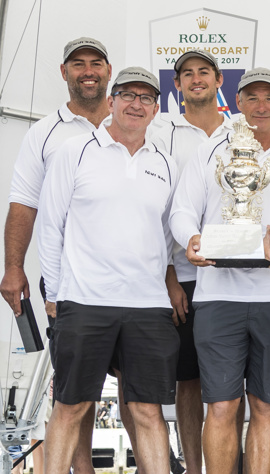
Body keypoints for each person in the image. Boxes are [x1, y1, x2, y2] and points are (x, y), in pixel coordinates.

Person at [169, 67, 270, 474]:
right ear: (237, 102)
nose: (261, 105)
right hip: (219, 296)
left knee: (265, 406)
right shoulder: (210, 153)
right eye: (251, 97)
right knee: (222, 405)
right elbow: (181, 212)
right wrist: (192, 239)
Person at [38, 66, 179, 474]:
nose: (136, 104)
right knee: (71, 406)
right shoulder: (75, 151)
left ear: (156, 109)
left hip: (148, 306)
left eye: (146, 97)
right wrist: (55, 295)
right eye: (128, 95)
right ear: (111, 101)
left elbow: (166, 237)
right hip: (84, 300)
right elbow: (50, 225)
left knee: (148, 410)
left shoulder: (166, 164)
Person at [1, 37, 113, 474]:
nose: (88, 71)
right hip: (69, 281)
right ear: (64, 73)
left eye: (96, 63)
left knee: (134, 390)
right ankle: (81, 471)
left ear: (108, 71)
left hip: (133, 281)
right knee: (75, 387)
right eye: (78, 64)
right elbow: (23, 205)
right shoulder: (44, 132)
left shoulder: (132, 122)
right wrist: (13, 268)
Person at [151, 48, 236, 474]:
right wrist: (168, 274)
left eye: (204, 72)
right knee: (188, 381)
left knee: (228, 387)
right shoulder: (161, 132)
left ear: (220, 80)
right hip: (182, 275)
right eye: (188, 73)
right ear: (177, 84)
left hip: (233, 274)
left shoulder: (241, 132)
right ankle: (194, 467)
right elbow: (157, 211)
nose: (196, 79)